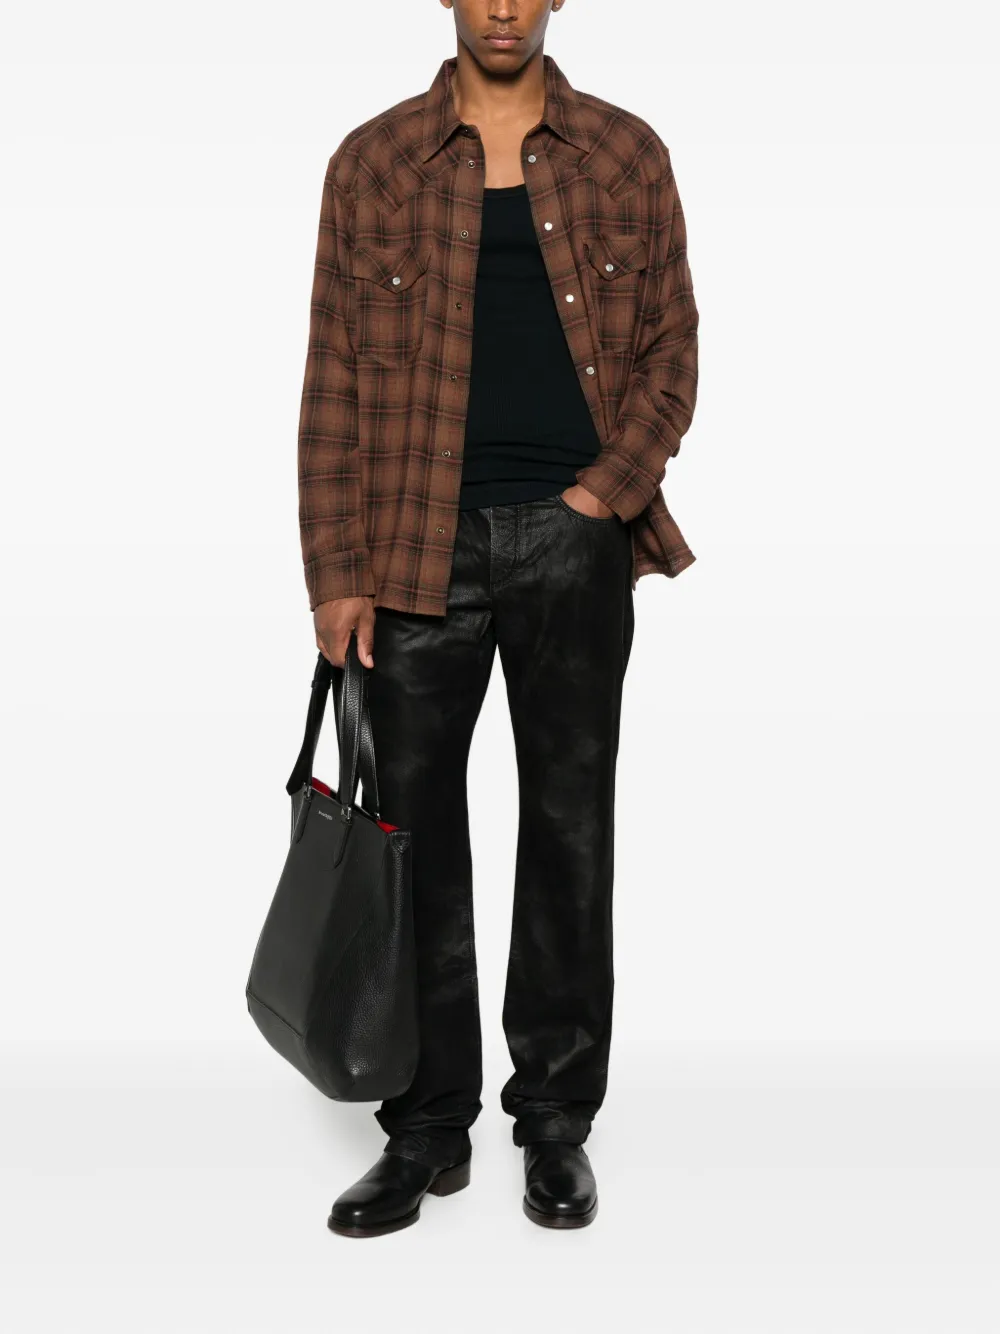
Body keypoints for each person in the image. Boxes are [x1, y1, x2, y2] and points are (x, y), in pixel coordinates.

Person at [297, 0, 699, 1236]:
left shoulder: (624, 154)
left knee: (570, 832)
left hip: (571, 542)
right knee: (411, 839)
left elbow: (672, 349)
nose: (505, 5)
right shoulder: (373, 161)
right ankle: (425, 1126)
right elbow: (332, 374)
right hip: (411, 548)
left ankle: (557, 1122)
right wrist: (334, 568)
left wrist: (600, 498)